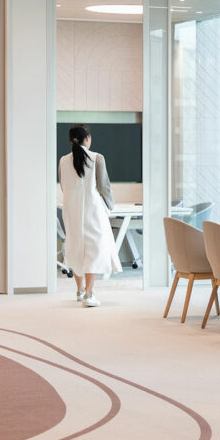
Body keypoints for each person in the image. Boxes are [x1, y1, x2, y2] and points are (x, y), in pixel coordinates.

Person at [59, 124, 121, 307]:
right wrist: (110, 205)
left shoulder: (63, 160)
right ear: (87, 138)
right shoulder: (97, 158)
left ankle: (79, 290)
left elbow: (64, 185)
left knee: (75, 245)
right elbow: (104, 186)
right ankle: (89, 293)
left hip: (70, 208)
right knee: (93, 248)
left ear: (71, 140)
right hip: (92, 209)